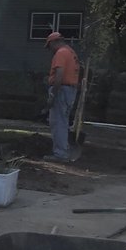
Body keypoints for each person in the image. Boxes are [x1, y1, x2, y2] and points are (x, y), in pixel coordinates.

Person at [46, 31, 81, 161]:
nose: (50, 49)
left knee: (57, 122)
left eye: (49, 46)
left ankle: (60, 154)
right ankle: (64, 149)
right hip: (71, 90)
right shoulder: (71, 53)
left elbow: (59, 74)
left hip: (61, 90)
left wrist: (53, 94)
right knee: (64, 121)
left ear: (54, 42)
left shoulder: (61, 53)